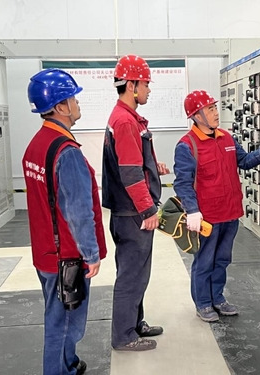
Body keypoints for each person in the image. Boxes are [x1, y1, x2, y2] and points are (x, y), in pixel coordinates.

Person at [23, 69, 107, 375]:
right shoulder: (66, 152)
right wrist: (91, 253)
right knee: (64, 323)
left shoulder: (37, 143)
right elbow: (78, 211)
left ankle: (68, 363)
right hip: (67, 257)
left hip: (46, 252)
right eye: (73, 97)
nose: (77, 103)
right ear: (61, 106)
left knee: (59, 315)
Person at [173, 90, 260, 322]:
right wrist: (192, 210)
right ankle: (203, 303)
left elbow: (243, 161)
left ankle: (217, 298)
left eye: (214, 107)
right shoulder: (187, 145)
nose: (215, 112)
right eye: (209, 109)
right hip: (207, 218)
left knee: (222, 259)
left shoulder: (226, 137)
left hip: (230, 213)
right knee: (204, 261)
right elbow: (183, 183)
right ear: (196, 116)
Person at [102, 55, 169, 351]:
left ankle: (134, 322)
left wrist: (155, 167)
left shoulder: (126, 119)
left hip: (127, 212)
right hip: (133, 214)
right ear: (131, 85)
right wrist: (148, 209)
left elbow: (133, 163)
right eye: (145, 84)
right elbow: (129, 173)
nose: (149, 90)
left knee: (137, 273)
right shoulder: (126, 121)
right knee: (131, 276)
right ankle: (124, 336)